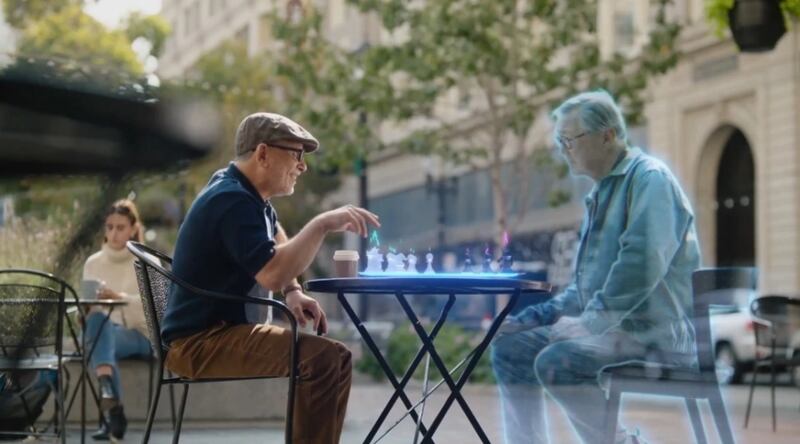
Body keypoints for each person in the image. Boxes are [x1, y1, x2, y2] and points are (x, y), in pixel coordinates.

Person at [491, 90, 701, 444]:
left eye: (569, 140)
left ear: (608, 135)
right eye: (559, 142)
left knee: (556, 361)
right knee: (511, 348)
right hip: (613, 330)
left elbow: (642, 264)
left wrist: (589, 322)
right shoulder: (601, 195)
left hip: (654, 333)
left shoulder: (650, 179)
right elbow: (584, 287)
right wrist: (535, 317)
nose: (563, 150)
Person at [160, 112, 380, 444]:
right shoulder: (232, 200)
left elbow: (275, 234)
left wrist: (293, 290)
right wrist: (321, 224)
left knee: (338, 358)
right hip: (200, 342)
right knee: (321, 360)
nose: (302, 166)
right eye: (296, 154)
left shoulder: (241, 191)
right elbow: (272, 274)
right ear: (263, 153)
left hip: (217, 332)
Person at [82, 199, 153, 441]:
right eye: (109, 227)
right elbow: (88, 307)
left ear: (133, 229)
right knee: (98, 322)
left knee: (99, 335)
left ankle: (110, 406)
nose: (113, 234)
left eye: (120, 227)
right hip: (106, 331)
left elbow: (156, 309)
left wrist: (118, 298)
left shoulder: (146, 261)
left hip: (142, 334)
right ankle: (114, 411)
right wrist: (86, 310)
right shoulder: (93, 263)